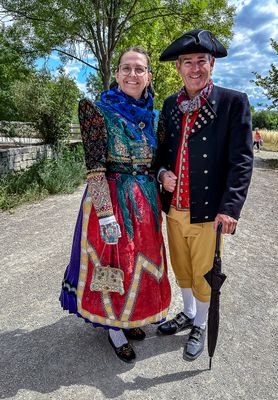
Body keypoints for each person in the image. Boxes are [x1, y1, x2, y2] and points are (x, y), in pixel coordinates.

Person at [60, 47, 171, 363]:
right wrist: (105, 214)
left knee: (140, 259)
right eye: (126, 68)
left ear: (149, 76)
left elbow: (158, 161)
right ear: (117, 74)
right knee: (113, 260)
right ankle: (113, 327)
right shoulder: (97, 111)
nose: (132, 75)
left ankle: (129, 315)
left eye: (139, 69)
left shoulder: (155, 117)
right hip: (110, 198)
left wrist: (162, 175)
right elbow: (95, 168)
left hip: (144, 200)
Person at [156, 30, 253, 361]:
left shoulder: (232, 101)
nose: (194, 68)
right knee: (181, 266)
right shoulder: (170, 105)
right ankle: (187, 312)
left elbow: (241, 161)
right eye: (188, 62)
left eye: (201, 61)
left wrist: (230, 208)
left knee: (203, 271)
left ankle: (200, 323)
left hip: (209, 210)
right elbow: (161, 153)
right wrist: (161, 173)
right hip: (174, 208)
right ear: (178, 68)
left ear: (212, 64)